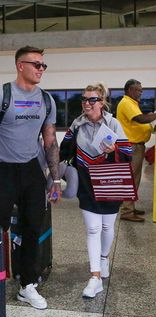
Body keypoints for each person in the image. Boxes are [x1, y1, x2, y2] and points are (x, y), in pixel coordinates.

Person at [0, 45, 61, 310]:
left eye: (43, 65)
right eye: (36, 64)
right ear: (20, 65)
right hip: (1, 169)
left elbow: (50, 141)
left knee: (33, 227)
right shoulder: (0, 95)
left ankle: (27, 285)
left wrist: (54, 180)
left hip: (31, 169)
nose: (41, 69)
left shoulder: (46, 100)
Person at [61, 83, 132, 298]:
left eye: (92, 100)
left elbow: (127, 154)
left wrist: (115, 150)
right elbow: (65, 150)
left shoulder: (114, 124)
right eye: (84, 99)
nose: (87, 103)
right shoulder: (77, 124)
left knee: (107, 226)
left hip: (110, 182)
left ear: (102, 102)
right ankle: (95, 277)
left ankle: (103, 258)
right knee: (93, 229)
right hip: (86, 182)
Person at [116, 79, 156, 222]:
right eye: (139, 89)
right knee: (131, 179)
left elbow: (141, 122)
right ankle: (127, 211)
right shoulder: (126, 102)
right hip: (131, 147)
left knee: (134, 179)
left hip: (136, 146)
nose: (141, 92)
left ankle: (130, 207)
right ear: (130, 90)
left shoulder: (132, 103)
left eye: (141, 89)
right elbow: (140, 119)